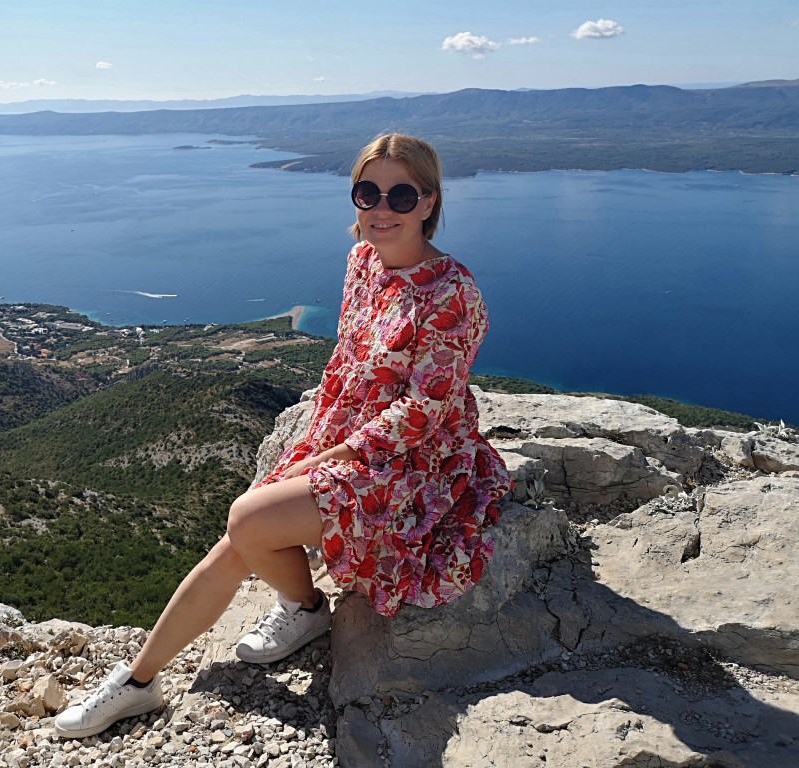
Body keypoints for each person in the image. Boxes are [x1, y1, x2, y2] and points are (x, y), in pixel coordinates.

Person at [53, 133, 512, 739]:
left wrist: (341, 452)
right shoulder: (362, 261)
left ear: (429, 201)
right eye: (368, 193)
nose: (382, 208)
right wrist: (318, 435)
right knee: (239, 539)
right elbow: (347, 360)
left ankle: (302, 610)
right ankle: (138, 680)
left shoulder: (452, 292)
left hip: (413, 462)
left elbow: (428, 407)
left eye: (401, 195)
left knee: (246, 520)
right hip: (348, 432)